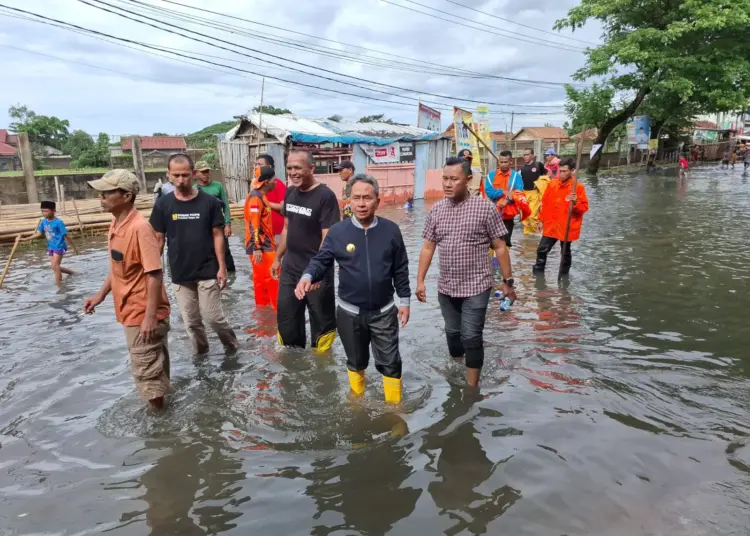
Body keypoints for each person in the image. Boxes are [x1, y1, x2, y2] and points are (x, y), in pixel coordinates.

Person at [295, 174, 411, 403]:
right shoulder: (338, 232)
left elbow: (401, 268)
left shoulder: (391, 231)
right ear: (348, 200)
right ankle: (357, 402)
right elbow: (321, 260)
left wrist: (405, 301)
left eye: (367, 198)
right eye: (356, 198)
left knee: (391, 362)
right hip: (349, 313)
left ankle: (395, 410)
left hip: (384, 312)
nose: (361, 203)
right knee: (356, 361)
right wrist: (307, 276)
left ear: (377, 200)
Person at [416, 157, 517, 388]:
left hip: (477, 286)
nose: (448, 184)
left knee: (471, 336)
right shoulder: (437, 211)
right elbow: (428, 246)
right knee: (453, 334)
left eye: (454, 179)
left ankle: (472, 388)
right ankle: (457, 370)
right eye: (445, 179)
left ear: (468, 180)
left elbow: (500, 246)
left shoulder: (485, 208)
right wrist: (420, 280)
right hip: (447, 287)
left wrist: (507, 281)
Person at [83, 170, 172, 409]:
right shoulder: (116, 223)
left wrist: (149, 317)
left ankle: (160, 428)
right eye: (101, 192)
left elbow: (154, 273)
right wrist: (100, 295)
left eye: (107, 192)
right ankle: (167, 411)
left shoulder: (140, 228)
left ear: (126, 196)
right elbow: (118, 267)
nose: (100, 197)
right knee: (155, 369)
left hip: (142, 314)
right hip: (132, 312)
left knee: (148, 375)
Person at [149, 153, 239, 355]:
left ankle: (232, 346)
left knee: (213, 317)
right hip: (180, 272)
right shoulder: (163, 205)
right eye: (176, 175)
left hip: (207, 269)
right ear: (168, 175)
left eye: (185, 175)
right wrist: (154, 272)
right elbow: (158, 240)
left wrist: (222, 267)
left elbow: (218, 235)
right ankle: (201, 355)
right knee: (192, 322)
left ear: (193, 174)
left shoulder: (209, 203)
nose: (181, 180)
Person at [271, 150, 340, 352]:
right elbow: (286, 229)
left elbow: (328, 238)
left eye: (298, 168)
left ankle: (322, 371)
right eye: (290, 168)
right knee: (287, 322)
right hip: (290, 269)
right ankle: (294, 369)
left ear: (311, 168)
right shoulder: (290, 193)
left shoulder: (325, 197)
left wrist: (315, 271)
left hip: (317, 274)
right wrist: (277, 258)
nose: (293, 172)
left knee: (322, 325)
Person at [533, 158, 589, 275]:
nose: (561, 174)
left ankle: (564, 276)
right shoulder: (552, 184)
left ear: (572, 171)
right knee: (542, 250)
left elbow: (583, 208)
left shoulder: (578, 187)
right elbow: (545, 203)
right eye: (560, 171)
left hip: (566, 225)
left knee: (565, 253)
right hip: (551, 224)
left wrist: (576, 202)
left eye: (565, 171)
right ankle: (538, 275)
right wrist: (540, 220)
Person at [244, 165, 278, 310]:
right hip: (261, 247)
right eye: (274, 180)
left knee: (263, 281)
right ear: (266, 182)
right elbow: (254, 224)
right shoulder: (256, 199)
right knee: (272, 278)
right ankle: (276, 312)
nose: (276, 183)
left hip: (264, 245)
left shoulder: (260, 196)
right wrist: (257, 247)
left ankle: (265, 315)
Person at [20, 200, 78, 284]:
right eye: (42, 211)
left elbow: (66, 235)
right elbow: (39, 233)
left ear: (53, 211)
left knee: (55, 266)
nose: (44, 213)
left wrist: (74, 248)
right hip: (51, 247)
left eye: (46, 211)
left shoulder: (58, 222)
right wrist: (26, 239)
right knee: (54, 267)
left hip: (59, 246)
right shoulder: (44, 222)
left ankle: (59, 285)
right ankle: (72, 273)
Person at [194, 160, 236, 273]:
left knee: (225, 250)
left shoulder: (218, 186)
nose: (205, 174)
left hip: (219, 224)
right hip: (202, 226)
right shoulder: (193, 189)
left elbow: (226, 206)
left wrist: (228, 224)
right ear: (196, 173)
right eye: (202, 172)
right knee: (206, 250)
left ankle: (231, 274)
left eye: (207, 171)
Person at [484, 150, 524, 247]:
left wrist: (507, 200)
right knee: (491, 241)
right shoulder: (491, 175)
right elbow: (489, 191)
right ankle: (492, 261)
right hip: (493, 213)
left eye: (505, 162)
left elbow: (519, 193)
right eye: (501, 162)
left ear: (510, 162)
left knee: (506, 240)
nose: (503, 164)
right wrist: (502, 192)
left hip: (508, 215)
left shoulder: (516, 176)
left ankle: (504, 261)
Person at [255, 154, 286, 245]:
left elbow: (283, 207)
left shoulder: (278, 184)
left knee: (276, 257)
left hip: (277, 231)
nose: (256, 167)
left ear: (269, 167)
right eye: (256, 164)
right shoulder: (257, 185)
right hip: (263, 231)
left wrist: (266, 203)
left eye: (260, 164)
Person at [520, 148, 547, 235]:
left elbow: (546, 175)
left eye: (527, 154)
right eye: (524, 155)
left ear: (532, 156)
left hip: (535, 192)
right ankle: (527, 235)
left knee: (533, 215)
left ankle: (537, 234)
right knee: (525, 216)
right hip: (525, 193)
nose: (526, 157)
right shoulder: (522, 168)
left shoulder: (538, 165)